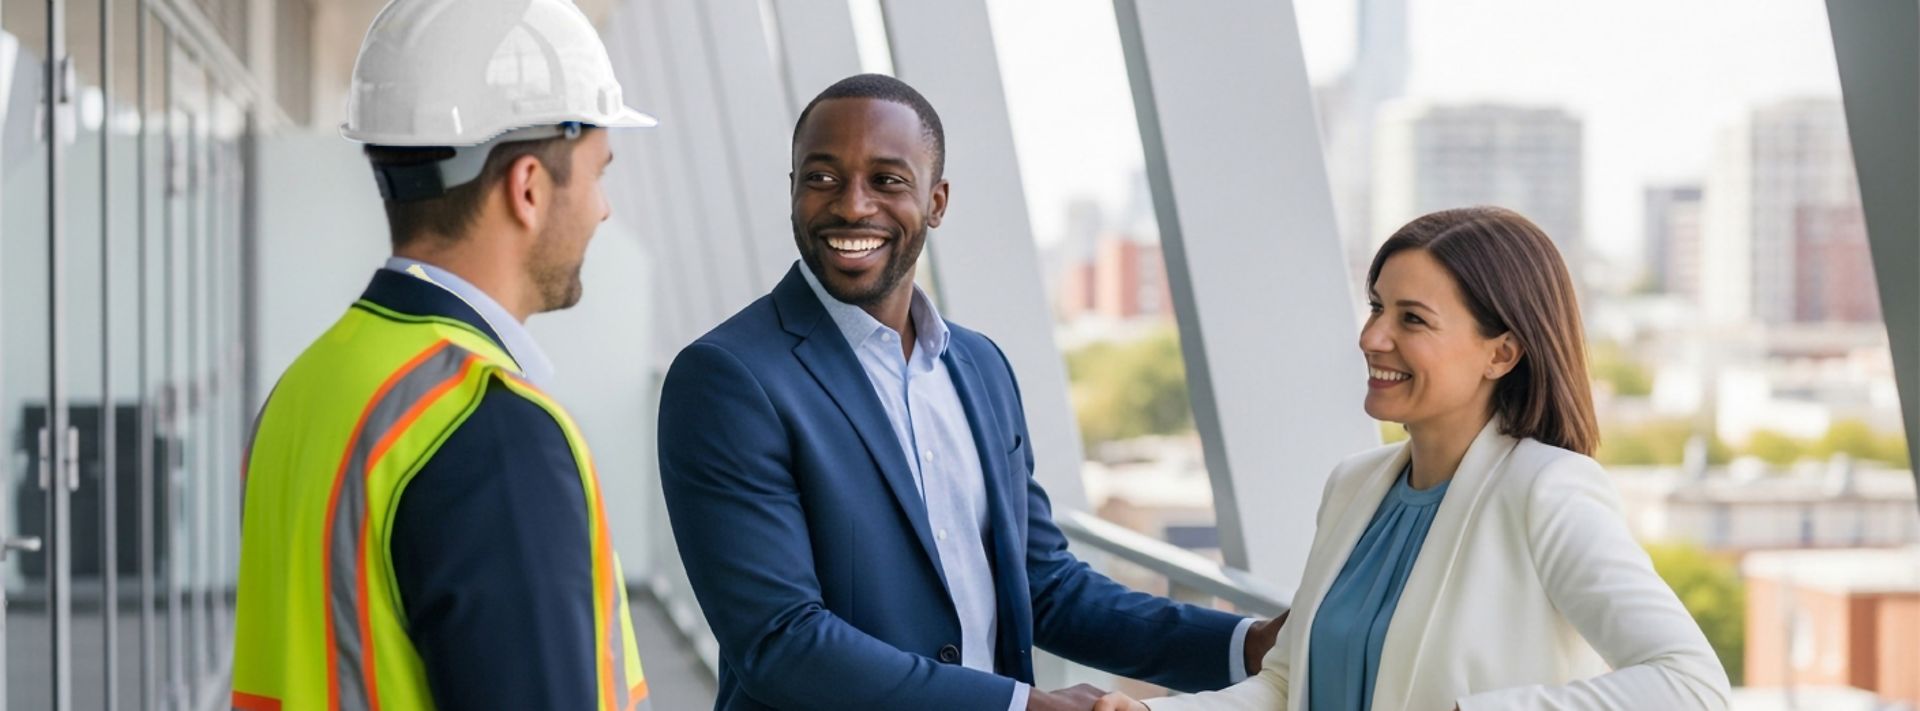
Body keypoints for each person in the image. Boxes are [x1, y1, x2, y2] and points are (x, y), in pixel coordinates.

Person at [657, 73, 1282, 711]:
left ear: (937, 201)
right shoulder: (727, 380)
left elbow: (1043, 587)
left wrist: (1249, 644)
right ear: (792, 191)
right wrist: (1023, 707)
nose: (851, 205)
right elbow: (781, 643)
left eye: (887, 180)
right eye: (821, 178)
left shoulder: (980, 367)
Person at [1093, 207, 1731, 711]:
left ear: (1501, 354)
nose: (1372, 337)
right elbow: (1289, 686)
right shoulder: (1353, 486)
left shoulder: (1548, 490)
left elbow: (1691, 684)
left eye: (1412, 319)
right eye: (1376, 306)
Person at [229, 1, 657, 708]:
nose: (603, 209)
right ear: (528, 187)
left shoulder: (302, 390)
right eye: (597, 173)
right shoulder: (491, 430)